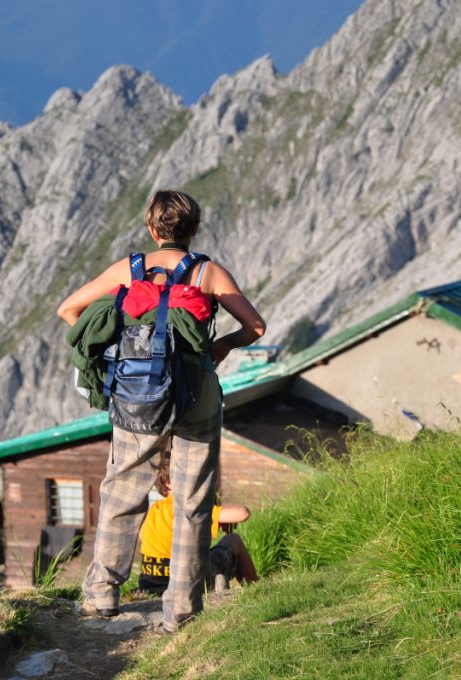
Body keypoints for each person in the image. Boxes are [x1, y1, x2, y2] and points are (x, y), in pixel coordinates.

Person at [57, 189, 266, 633]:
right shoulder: (206, 271)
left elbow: (68, 310)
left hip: (137, 392)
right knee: (193, 501)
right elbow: (256, 326)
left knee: (122, 491)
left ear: (152, 229)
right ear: (193, 230)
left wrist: (119, 346)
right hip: (196, 391)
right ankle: (182, 609)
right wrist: (222, 344)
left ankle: (102, 596)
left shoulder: (129, 270)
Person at [137, 451, 259, 596]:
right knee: (234, 540)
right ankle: (256, 590)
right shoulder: (188, 506)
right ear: (167, 482)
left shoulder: (155, 509)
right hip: (185, 584)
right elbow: (242, 513)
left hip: (151, 584)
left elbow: (142, 537)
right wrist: (219, 512)